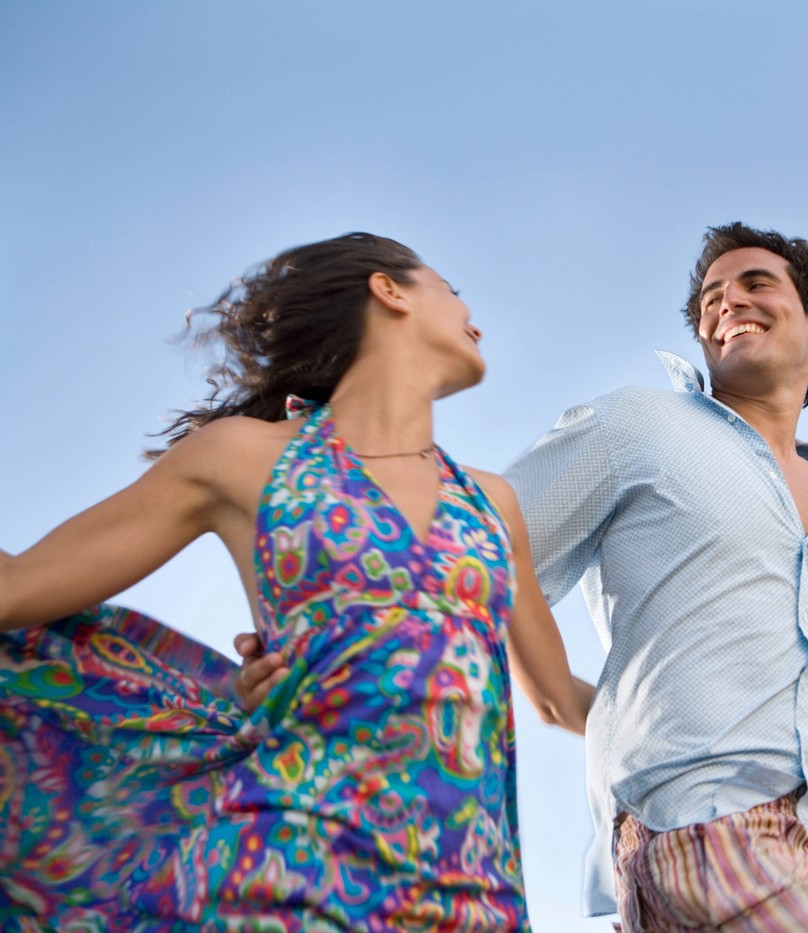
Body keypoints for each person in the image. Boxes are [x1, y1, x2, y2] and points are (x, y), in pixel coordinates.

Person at [238, 223, 808, 931]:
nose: (725, 300)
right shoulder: (636, 427)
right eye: (710, 297)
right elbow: (469, 542)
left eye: (754, 282)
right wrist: (328, 647)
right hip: (700, 831)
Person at [0, 233, 593, 931]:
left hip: (472, 895)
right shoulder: (241, 459)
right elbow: (17, 590)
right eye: (452, 288)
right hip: (290, 875)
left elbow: (558, 700)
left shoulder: (492, 504)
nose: (475, 316)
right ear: (390, 289)